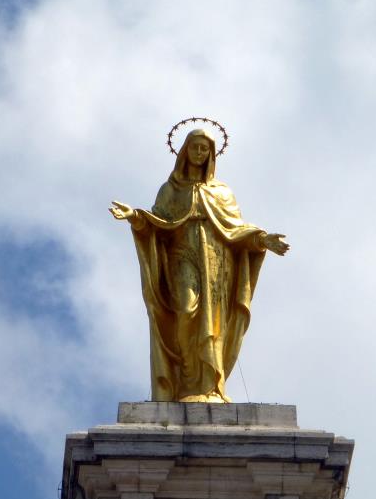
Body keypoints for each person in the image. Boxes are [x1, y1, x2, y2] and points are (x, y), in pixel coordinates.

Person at [110, 128, 289, 402]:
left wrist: (263, 239)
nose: (199, 152)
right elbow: (157, 221)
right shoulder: (171, 189)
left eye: (205, 149)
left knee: (214, 322)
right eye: (194, 147)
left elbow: (236, 228)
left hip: (217, 261)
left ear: (211, 154)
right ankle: (187, 378)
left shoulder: (222, 192)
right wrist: (134, 216)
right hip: (182, 255)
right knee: (186, 308)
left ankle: (210, 386)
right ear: (184, 150)